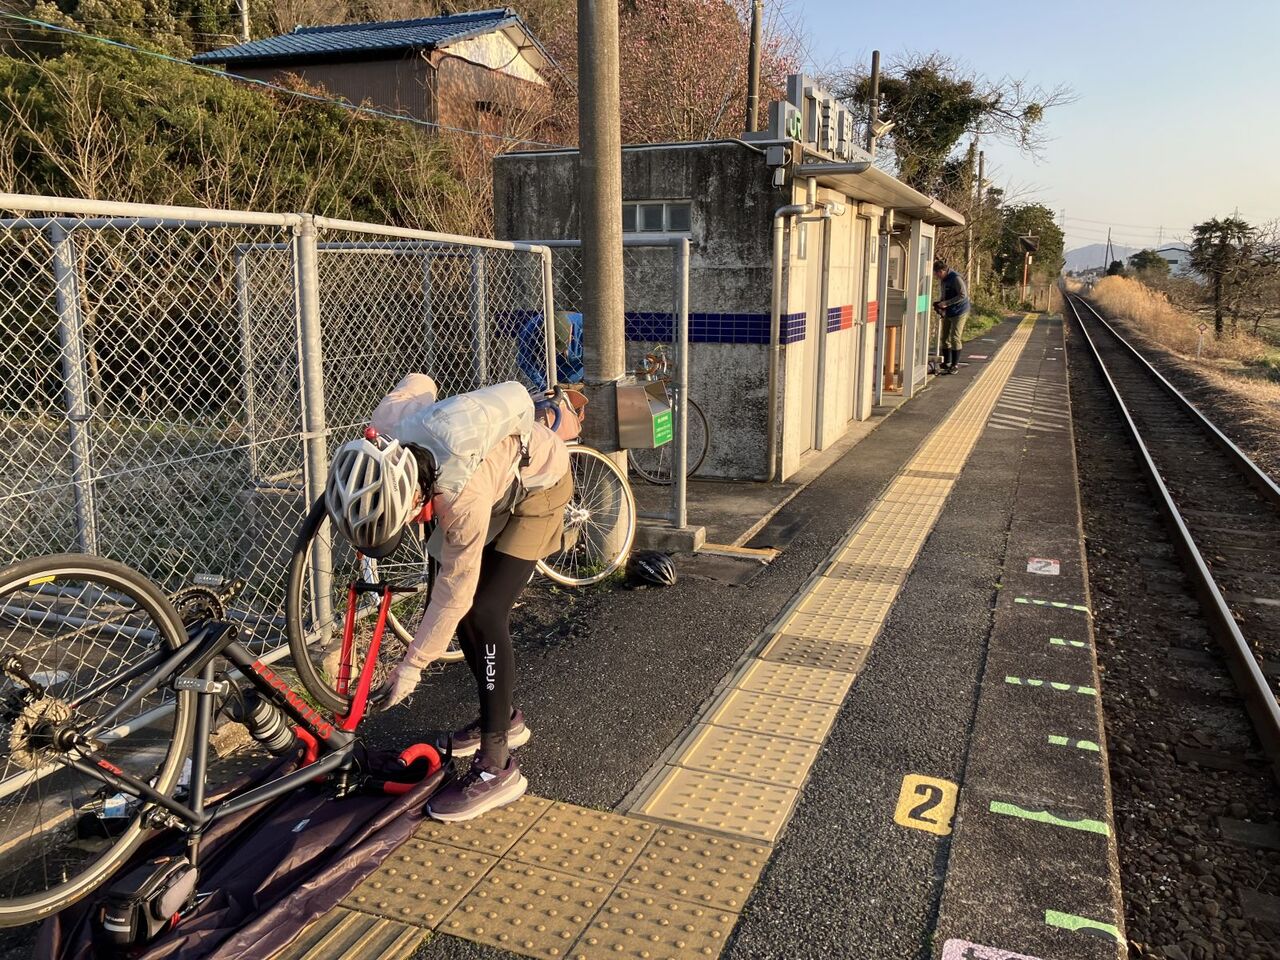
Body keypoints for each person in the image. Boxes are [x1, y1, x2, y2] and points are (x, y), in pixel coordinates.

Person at [323, 373, 572, 822]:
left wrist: (412, 666)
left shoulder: (461, 499)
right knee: (459, 615)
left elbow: (456, 593)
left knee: (483, 612)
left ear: (417, 498)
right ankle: (503, 717)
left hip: (539, 485)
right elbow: (420, 381)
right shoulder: (390, 426)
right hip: (487, 477)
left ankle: (498, 766)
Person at [932, 259, 970, 374]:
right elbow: (945, 294)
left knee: (955, 337)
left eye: (937, 274)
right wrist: (941, 304)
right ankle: (946, 362)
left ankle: (954, 365)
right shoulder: (943, 280)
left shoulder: (956, 278)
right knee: (944, 337)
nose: (936, 277)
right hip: (949, 311)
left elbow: (963, 295)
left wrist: (947, 303)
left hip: (960, 311)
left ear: (942, 271)